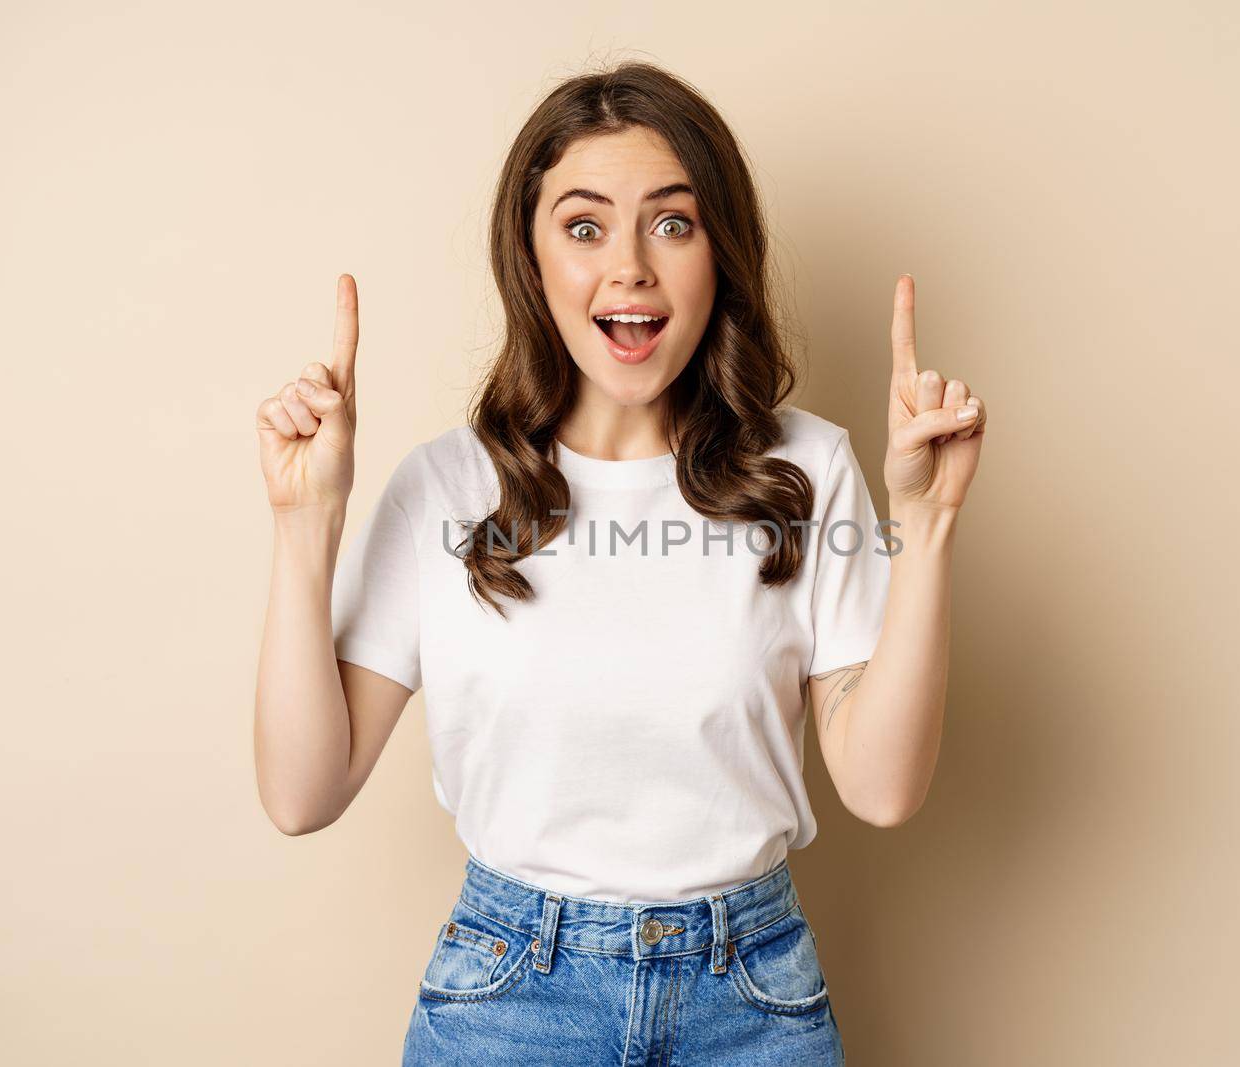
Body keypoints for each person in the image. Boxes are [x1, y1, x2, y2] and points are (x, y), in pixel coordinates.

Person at [253, 61, 987, 1066]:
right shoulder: (445, 487)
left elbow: (883, 787)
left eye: (673, 223)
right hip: (509, 1001)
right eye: (585, 225)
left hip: (752, 1000)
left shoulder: (805, 467)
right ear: (531, 253)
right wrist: (306, 520)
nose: (630, 267)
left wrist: (927, 518)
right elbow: (302, 792)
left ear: (721, 252)